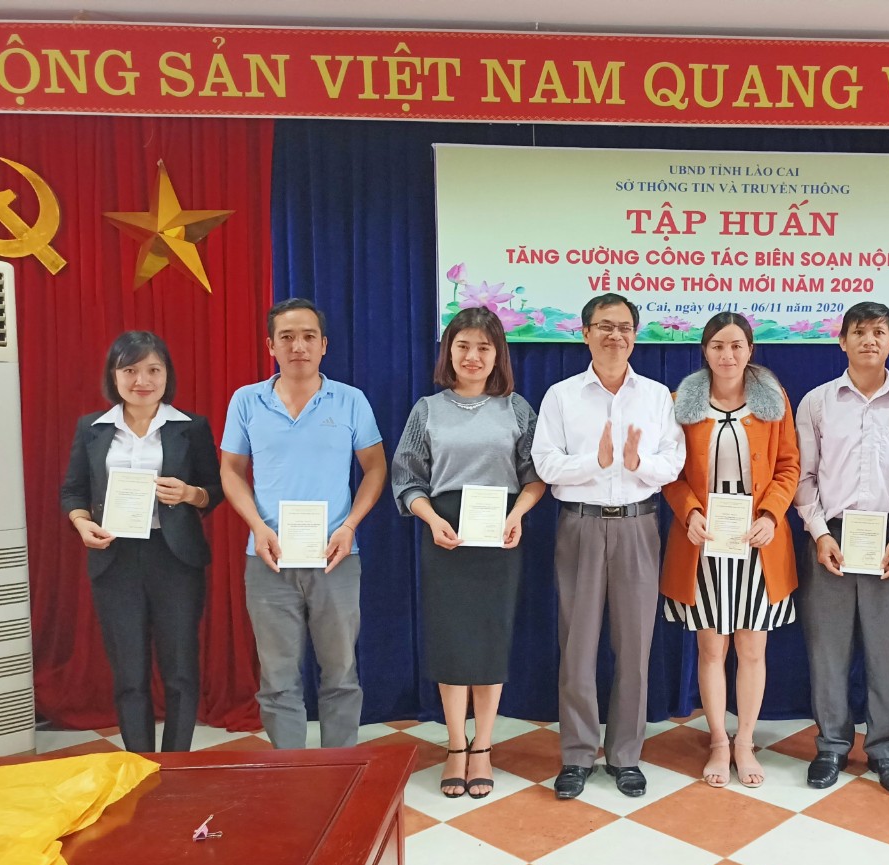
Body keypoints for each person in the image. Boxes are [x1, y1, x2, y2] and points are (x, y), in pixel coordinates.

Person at [532, 293, 686, 800]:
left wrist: (638, 463)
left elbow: (674, 463)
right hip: (580, 525)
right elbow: (545, 464)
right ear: (585, 334)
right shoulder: (561, 396)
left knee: (635, 648)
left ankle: (625, 756)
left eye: (624, 327)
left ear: (635, 336)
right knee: (577, 646)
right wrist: (594, 463)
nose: (615, 335)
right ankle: (577, 755)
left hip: (638, 527)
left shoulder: (657, 396)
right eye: (604, 326)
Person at [391, 307, 544, 799]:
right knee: (452, 641)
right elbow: (407, 478)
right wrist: (431, 519)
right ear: (448, 352)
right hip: (446, 535)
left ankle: (483, 746)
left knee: (491, 639)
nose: (473, 356)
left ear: (498, 354)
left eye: (483, 347)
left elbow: (536, 475)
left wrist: (517, 514)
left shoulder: (517, 409)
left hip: (500, 534)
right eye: (463, 346)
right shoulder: (427, 410)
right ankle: (456, 745)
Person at [220, 297, 387, 750]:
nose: (298, 346)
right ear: (270, 345)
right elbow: (231, 470)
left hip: (335, 556)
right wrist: (257, 526)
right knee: (277, 678)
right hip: (268, 558)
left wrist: (350, 525)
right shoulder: (246, 401)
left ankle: (338, 769)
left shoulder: (350, 400)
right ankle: (289, 773)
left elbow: (375, 468)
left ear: (324, 345)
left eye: (308, 336)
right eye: (287, 337)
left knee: (341, 674)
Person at [60, 330, 222, 752]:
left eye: (153, 369)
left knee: (180, 670)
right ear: (113, 376)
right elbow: (73, 491)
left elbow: (214, 489)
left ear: (167, 375)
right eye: (130, 370)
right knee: (129, 673)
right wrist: (82, 524)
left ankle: (177, 764)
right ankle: (140, 762)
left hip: (175, 558)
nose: (142, 380)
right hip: (114, 558)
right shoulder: (92, 429)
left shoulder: (190, 427)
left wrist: (189, 494)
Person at [794, 301, 889, 796]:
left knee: (887, 651)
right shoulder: (817, 402)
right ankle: (831, 745)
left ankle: (885, 749)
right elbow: (804, 477)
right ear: (842, 341)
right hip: (829, 536)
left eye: (878, 332)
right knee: (827, 650)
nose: (868, 340)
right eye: (858, 332)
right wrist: (819, 533)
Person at [660, 312, 799, 788]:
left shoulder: (774, 400)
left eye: (737, 345)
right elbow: (671, 474)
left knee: (752, 648)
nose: (728, 354)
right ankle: (719, 740)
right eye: (718, 345)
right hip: (704, 544)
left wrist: (771, 515)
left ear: (750, 350)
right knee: (711, 648)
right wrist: (690, 512)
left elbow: (789, 467)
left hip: (757, 543)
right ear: (705, 350)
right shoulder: (681, 403)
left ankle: (746, 742)